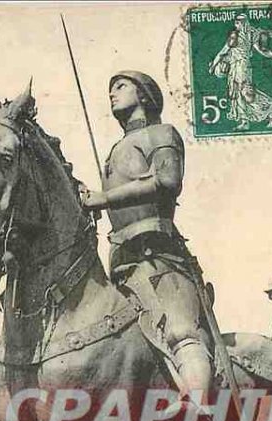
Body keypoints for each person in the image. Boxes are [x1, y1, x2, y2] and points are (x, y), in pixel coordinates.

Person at [80, 71, 212, 403]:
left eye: (121, 86)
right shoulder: (115, 150)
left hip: (159, 256)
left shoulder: (161, 133)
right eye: (110, 88)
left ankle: (198, 409)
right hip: (122, 262)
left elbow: (168, 180)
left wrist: (103, 198)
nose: (112, 93)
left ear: (144, 95)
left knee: (181, 334)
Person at [209, 15, 272, 130]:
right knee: (247, 92)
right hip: (246, 67)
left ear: (241, 23)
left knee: (240, 93)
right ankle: (269, 111)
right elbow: (261, 50)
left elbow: (223, 52)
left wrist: (213, 66)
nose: (236, 25)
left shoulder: (235, 36)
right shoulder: (250, 34)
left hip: (238, 67)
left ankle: (246, 121)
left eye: (238, 22)